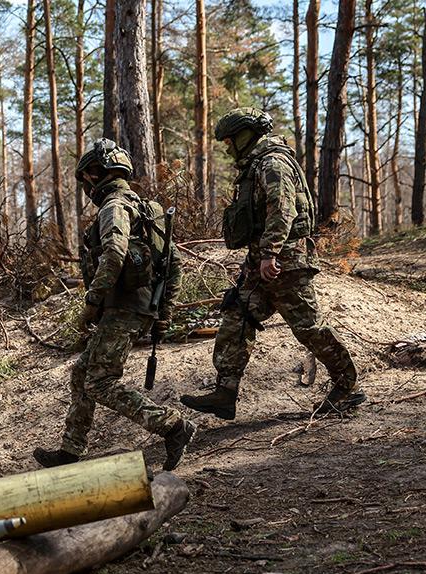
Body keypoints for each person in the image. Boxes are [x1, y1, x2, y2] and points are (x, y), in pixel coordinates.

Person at [181, 108, 364, 420]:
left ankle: (347, 384)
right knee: (237, 316)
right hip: (263, 263)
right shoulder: (257, 164)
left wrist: (270, 253)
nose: (227, 148)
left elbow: (283, 210)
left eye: (229, 141)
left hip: (286, 263)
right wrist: (258, 258)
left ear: (244, 136)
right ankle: (225, 392)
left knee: (308, 328)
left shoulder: (273, 162)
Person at [34, 139, 197, 471]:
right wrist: (163, 313)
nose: (86, 185)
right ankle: (70, 449)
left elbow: (114, 254)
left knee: (99, 382)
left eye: (87, 176)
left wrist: (92, 302)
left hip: (123, 308)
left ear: (98, 174)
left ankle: (173, 426)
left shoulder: (114, 207)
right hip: (137, 307)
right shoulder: (146, 209)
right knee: (83, 372)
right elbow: (175, 263)